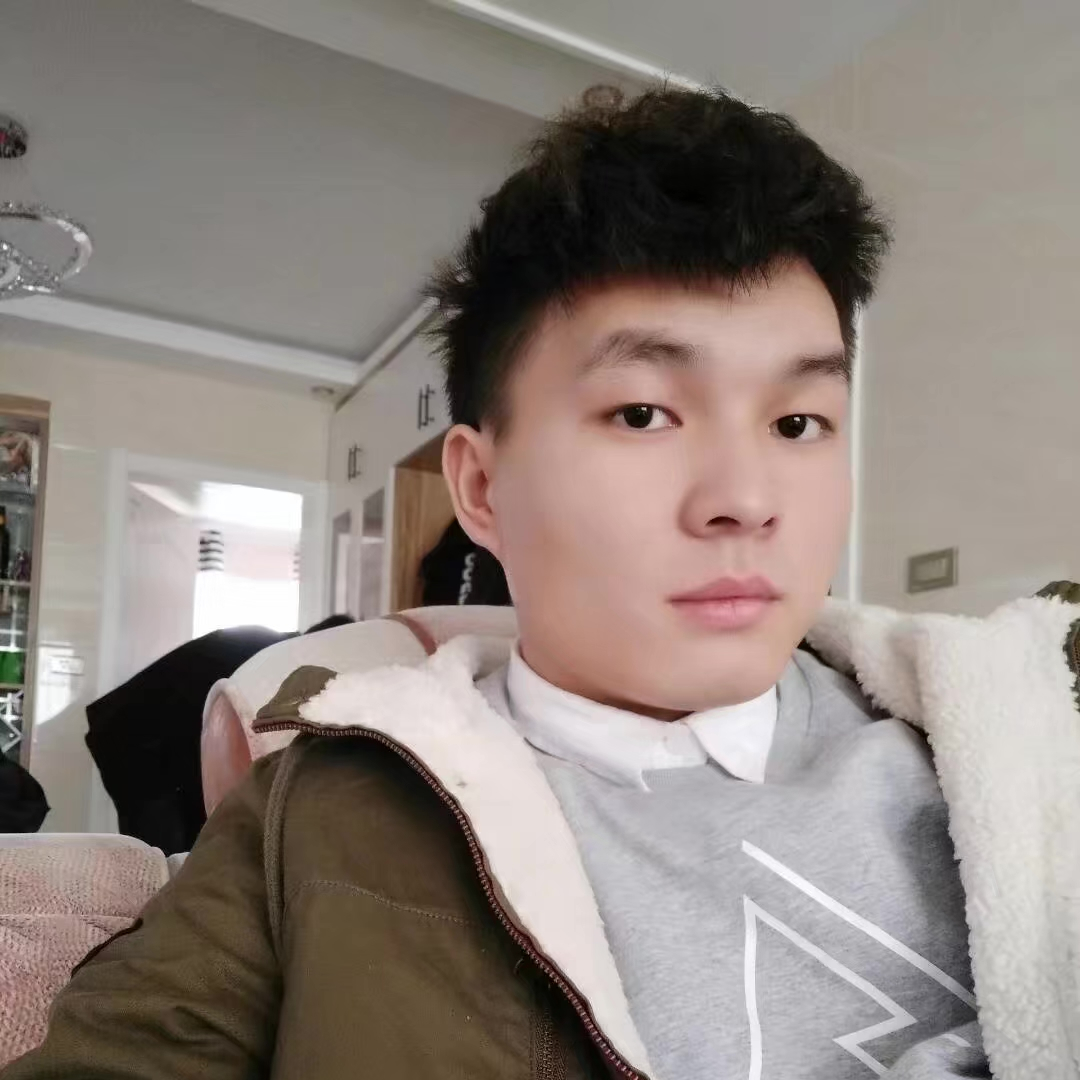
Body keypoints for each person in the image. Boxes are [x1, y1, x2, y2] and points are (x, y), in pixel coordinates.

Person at [5, 86, 1079, 1080]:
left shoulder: (1019, 718)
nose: (746, 499)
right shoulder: (322, 815)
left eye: (799, 423)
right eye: (643, 413)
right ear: (481, 486)